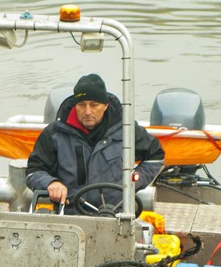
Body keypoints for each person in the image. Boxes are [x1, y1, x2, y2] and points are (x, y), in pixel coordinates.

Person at [26, 73, 164, 213]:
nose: (87, 112)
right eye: (81, 105)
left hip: (117, 214)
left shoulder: (127, 129)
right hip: (70, 215)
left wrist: (133, 182)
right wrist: (50, 183)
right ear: (75, 105)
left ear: (105, 105)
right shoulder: (54, 133)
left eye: (94, 105)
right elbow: (33, 172)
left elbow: (156, 156)